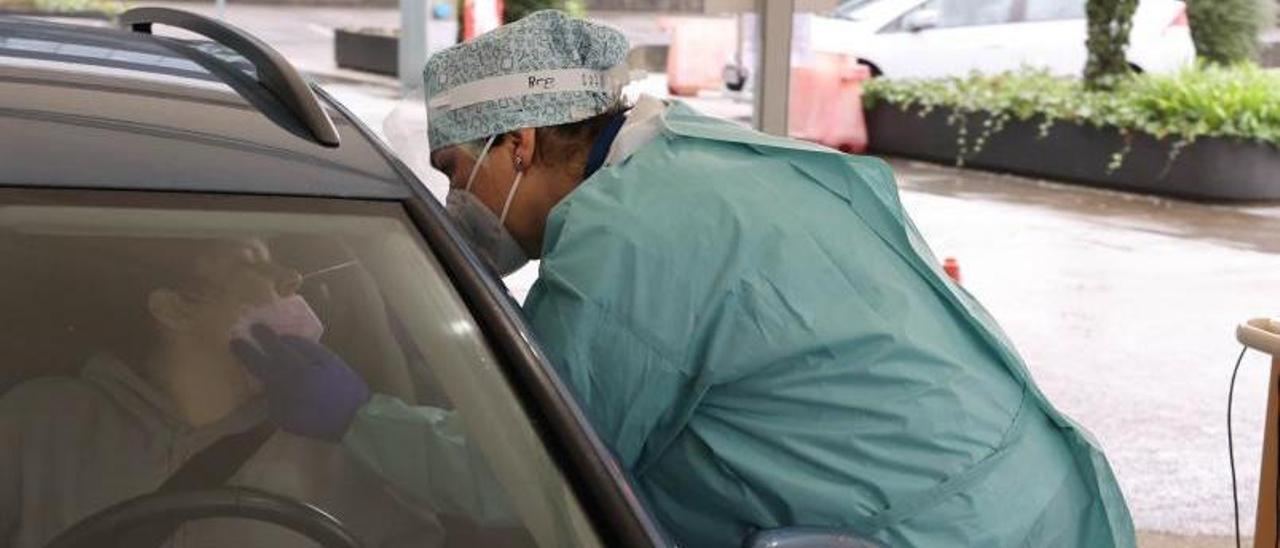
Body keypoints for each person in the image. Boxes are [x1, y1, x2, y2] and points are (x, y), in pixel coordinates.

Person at [244, 10, 1136, 547]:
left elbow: (534, 472)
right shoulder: (712, 154)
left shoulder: (621, 238)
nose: (453, 197)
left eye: (454, 167)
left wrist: (359, 416)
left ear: (518, 142)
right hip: (1033, 502)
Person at [0, 238, 442, 548]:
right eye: (253, 261)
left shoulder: (342, 445)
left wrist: (359, 423)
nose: (293, 277)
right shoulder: (41, 422)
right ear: (174, 308)